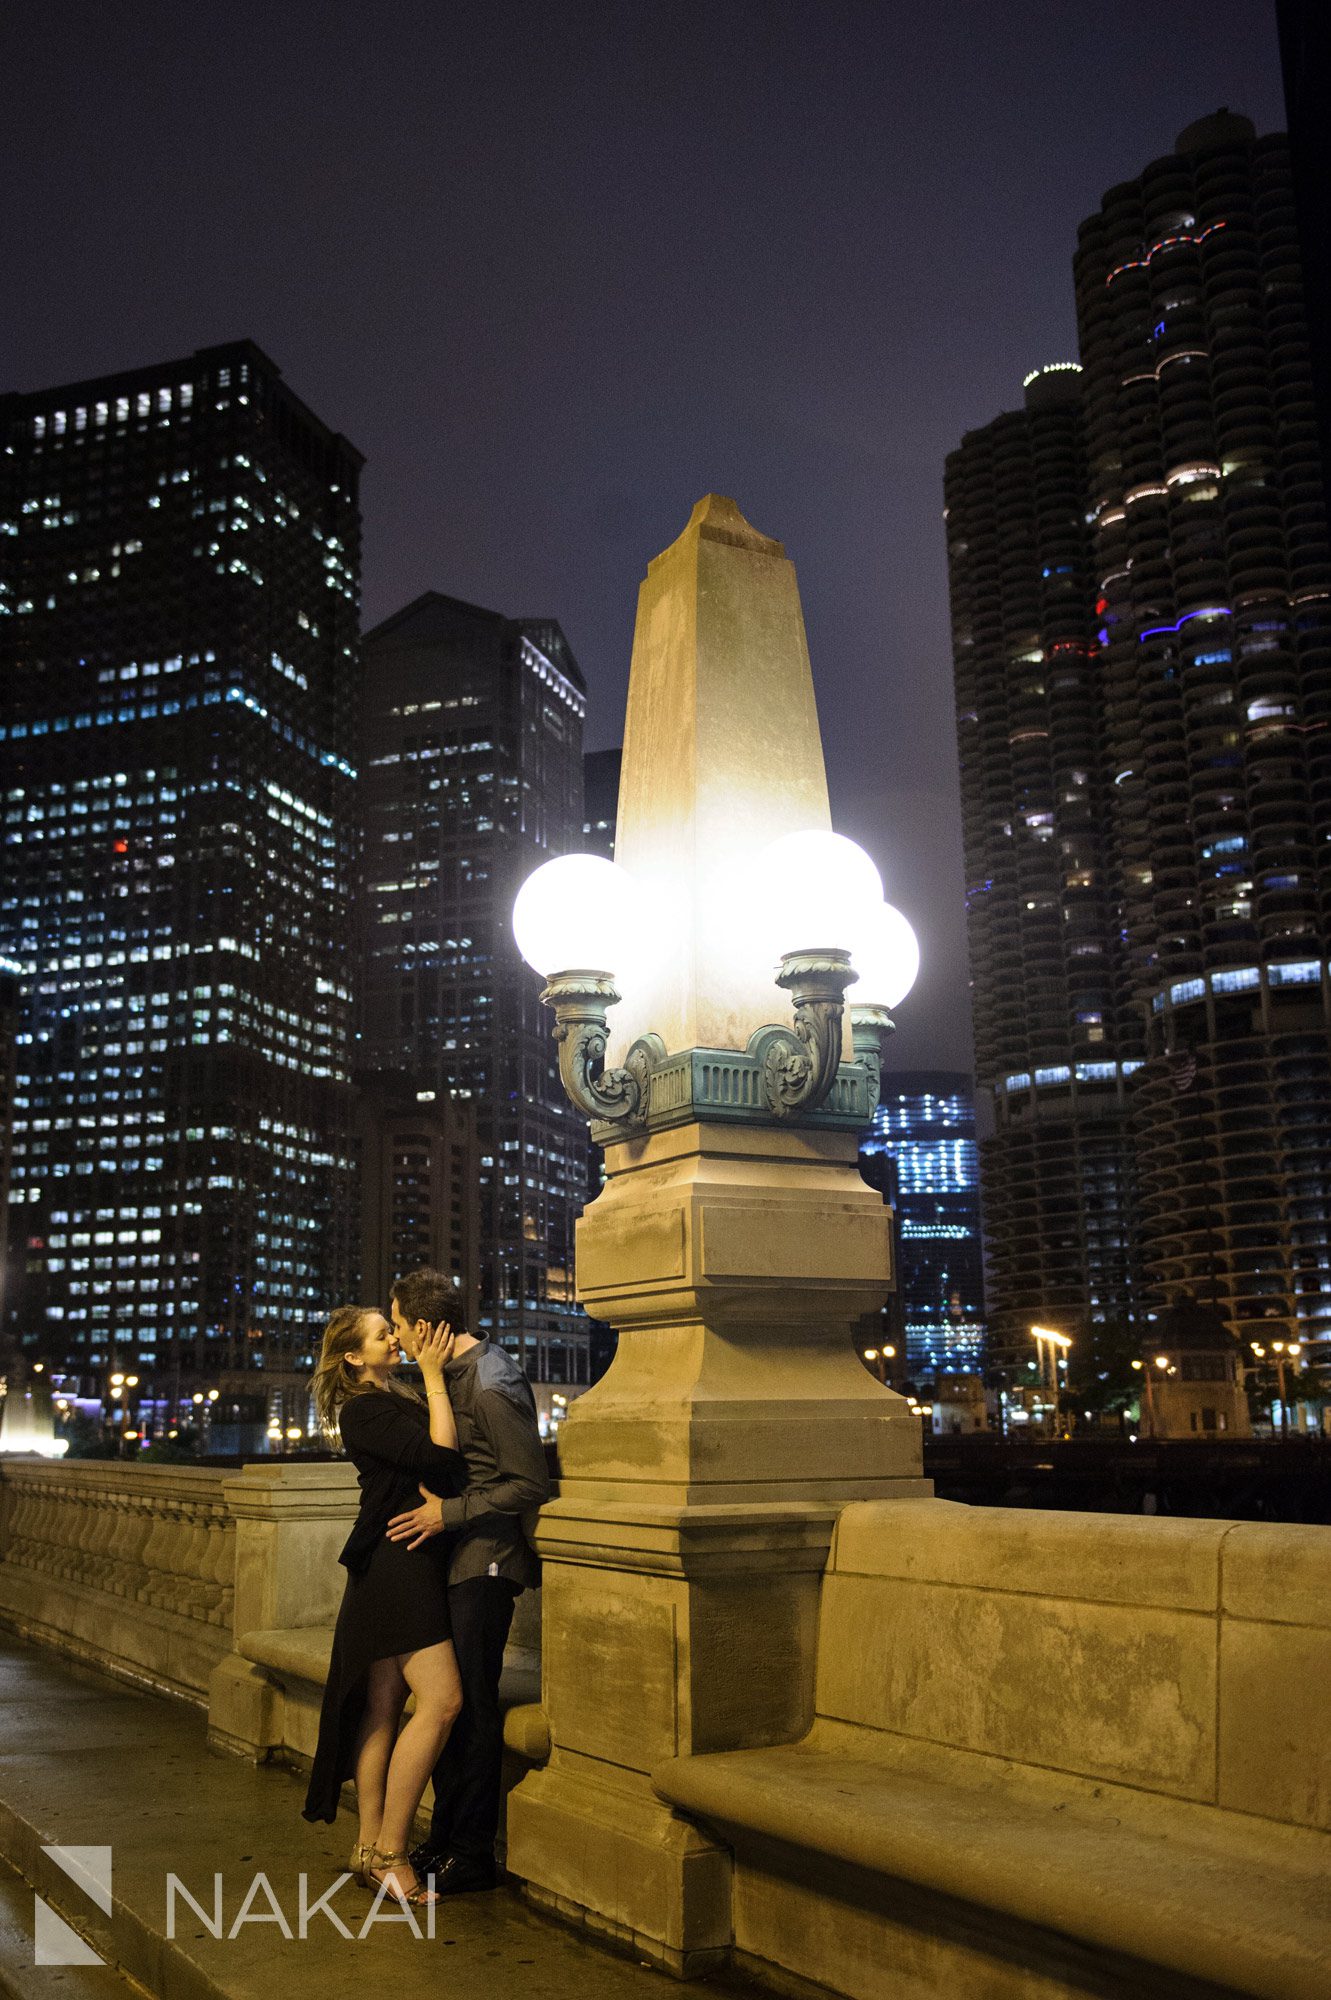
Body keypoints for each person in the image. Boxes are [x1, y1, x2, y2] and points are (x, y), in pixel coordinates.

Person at [385, 1266, 551, 1894]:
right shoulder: (448, 1376)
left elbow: (528, 1483)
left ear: (426, 1325)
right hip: (455, 1561)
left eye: (400, 1325)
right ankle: (442, 1842)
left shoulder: (489, 1382)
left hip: (486, 1562)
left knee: (472, 1706)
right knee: (446, 1706)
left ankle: (472, 1854)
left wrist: (445, 1514)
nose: (397, 1339)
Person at [301, 1302, 466, 1909]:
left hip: (397, 1559)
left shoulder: (386, 1398)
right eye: (382, 1334)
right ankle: (392, 1852)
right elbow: (442, 1460)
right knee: (443, 1700)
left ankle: (368, 1846)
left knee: (384, 1704)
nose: (394, 1338)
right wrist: (433, 1374)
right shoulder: (366, 1407)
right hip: (398, 1562)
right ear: (353, 1355)